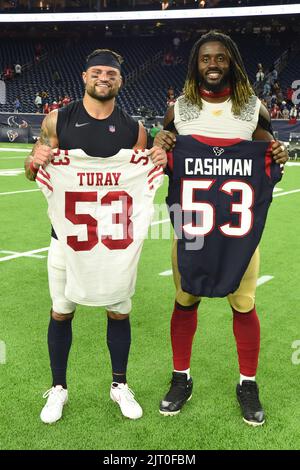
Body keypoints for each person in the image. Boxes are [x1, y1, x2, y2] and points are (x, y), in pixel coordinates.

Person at [24, 49, 167, 424]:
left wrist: (156, 160)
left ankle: (119, 385)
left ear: (120, 80)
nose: (104, 77)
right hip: (67, 240)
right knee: (61, 310)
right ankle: (59, 388)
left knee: (119, 311)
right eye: (97, 72)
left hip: (115, 242)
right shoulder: (57, 121)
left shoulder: (134, 130)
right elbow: (34, 171)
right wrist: (33, 160)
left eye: (112, 73)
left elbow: (147, 172)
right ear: (85, 77)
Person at [154, 31, 289, 426]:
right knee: (185, 299)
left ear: (231, 63)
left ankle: (247, 382)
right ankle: (182, 377)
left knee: (243, 303)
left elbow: (267, 148)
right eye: (205, 59)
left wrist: (277, 150)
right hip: (192, 228)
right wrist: (162, 143)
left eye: (221, 58)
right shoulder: (177, 110)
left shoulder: (252, 108)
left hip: (235, 230)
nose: (213, 64)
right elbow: (162, 158)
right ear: (195, 63)